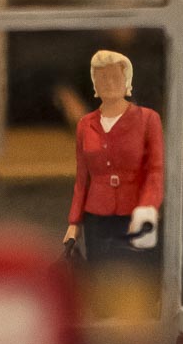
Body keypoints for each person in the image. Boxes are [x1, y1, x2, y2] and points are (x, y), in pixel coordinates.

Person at [64, 50, 164, 267]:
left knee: (135, 273)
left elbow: (155, 171)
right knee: (100, 273)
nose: (108, 83)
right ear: (95, 83)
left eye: (115, 77)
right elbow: (82, 179)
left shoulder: (148, 119)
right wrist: (74, 222)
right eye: (102, 78)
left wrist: (147, 207)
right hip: (97, 216)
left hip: (134, 213)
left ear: (126, 80)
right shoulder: (85, 124)